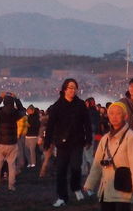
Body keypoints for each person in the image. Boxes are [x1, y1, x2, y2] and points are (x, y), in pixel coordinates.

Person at [82, 103, 133, 211]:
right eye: (111, 113)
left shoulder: (132, 137)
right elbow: (97, 163)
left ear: (125, 116)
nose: (114, 116)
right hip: (105, 189)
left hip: (123, 188)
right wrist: (90, 183)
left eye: (118, 113)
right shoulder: (105, 138)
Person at [41, 78, 90, 209]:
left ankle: (76, 188)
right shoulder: (57, 106)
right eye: (70, 88)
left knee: (76, 167)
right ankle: (62, 197)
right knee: (61, 171)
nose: (72, 90)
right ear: (64, 90)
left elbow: (87, 123)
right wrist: (47, 141)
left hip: (77, 142)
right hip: (62, 143)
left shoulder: (80, 104)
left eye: (74, 88)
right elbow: (50, 125)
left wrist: (89, 139)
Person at [0, 93, 22, 192]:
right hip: (12, 143)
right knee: (11, 166)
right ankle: (11, 186)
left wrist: (0, 97)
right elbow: (23, 111)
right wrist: (16, 99)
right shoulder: (16, 114)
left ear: (4, 102)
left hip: (0, 142)